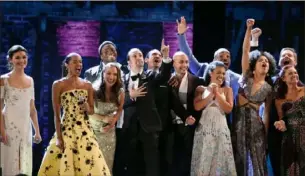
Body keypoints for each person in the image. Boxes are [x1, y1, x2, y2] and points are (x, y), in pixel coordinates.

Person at [38, 52, 111, 176]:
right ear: (67, 65)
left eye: (81, 62)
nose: (79, 65)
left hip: (84, 129)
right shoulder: (58, 84)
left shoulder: (87, 85)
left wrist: (87, 107)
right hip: (67, 128)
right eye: (75, 62)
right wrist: (59, 137)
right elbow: (56, 114)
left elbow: (92, 110)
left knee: (90, 162)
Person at [231, 19, 276, 176]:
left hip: (257, 127)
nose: (263, 62)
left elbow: (267, 113)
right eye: (260, 61)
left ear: (269, 68)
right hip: (240, 123)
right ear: (253, 66)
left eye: (266, 62)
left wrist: (266, 133)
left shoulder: (269, 89)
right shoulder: (246, 78)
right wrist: (248, 29)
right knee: (240, 159)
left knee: (258, 160)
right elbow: (245, 51)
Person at [122, 47, 173, 176]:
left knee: (152, 165)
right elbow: (117, 102)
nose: (138, 57)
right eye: (135, 56)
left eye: (140, 55)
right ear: (128, 62)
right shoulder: (122, 79)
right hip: (129, 128)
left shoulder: (150, 75)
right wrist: (131, 96)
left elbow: (163, 76)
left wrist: (166, 58)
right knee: (132, 165)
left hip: (149, 127)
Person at [145, 48, 196, 176]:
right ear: (146, 60)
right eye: (154, 54)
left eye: (159, 55)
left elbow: (174, 102)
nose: (157, 56)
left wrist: (186, 116)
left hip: (164, 126)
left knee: (166, 162)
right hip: (145, 127)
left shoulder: (167, 79)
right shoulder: (142, 76)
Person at [0, 45, 41, 176]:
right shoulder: (3, 80)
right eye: (17, 57)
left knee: (24, 165)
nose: (21, 60)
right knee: (11, 164)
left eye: (24, 57)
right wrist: (2, 131)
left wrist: (37, 132)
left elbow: (32, 109)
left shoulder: (30, 80)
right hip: (9, 126)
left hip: (25, 128)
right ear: (10, 60)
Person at [191, 61, 236, 176]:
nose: (221, 76)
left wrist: (218, 94)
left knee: (221, 160)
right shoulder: (200, 89)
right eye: (218, 73)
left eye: (223, 73)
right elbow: (197, 107)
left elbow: (228, 109)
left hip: (221, 128)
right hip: (205, 128)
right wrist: (210, 93)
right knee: (204, 160)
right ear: (211, 73)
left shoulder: (227, 90)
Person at [170, 51, 204, 176]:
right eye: (181, 62)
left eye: (186, 62)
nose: (184, 65)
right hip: (170, 127)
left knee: (187, 161)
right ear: (173, 63)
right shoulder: (167, 80)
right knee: (172, 161)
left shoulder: (197, 81)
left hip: (190, 128)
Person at [89, 62, 125, 174]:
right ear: (103, 74)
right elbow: (88, 112)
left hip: (109, 135)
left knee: (107, 166)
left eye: (115, 74)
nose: (112, 77)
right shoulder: (93, 90)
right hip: (92, 133)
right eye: (108, 73)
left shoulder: (120, 91)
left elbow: (120, 109)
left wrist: (113, 121)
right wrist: (103, 118)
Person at [273, 65, 305, 176]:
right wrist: (280, 123)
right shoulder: (279, 100)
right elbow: (282, 119)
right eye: (290, 73)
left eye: (295, 73)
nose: (294, 75)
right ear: (283, 78)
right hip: (290, 137)